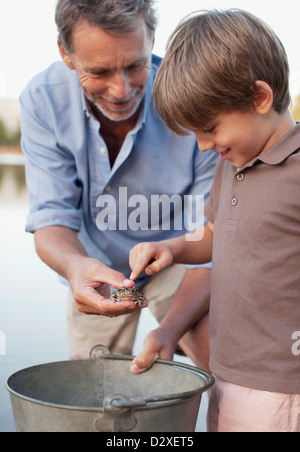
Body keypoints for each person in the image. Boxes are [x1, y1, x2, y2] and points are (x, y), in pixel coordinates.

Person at [129, 9, 300, 432]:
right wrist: (172, 248)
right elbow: (211, 234)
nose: (204, 146)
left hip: (280, 387)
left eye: (210, 128)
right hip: (224, 370)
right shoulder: (232, 163)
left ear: (260, 98)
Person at [20, 0, 217, 363]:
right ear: (66, 53)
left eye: (135, 65)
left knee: (217, 359)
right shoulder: (41, 100)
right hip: (91, 261)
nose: (122, 90)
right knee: (95, 396)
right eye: (98, 71)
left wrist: (170, 330)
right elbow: (51, 219)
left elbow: (208, 235)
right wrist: (75, 267)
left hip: (181, 257)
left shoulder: (195, 100)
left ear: (151, 40)